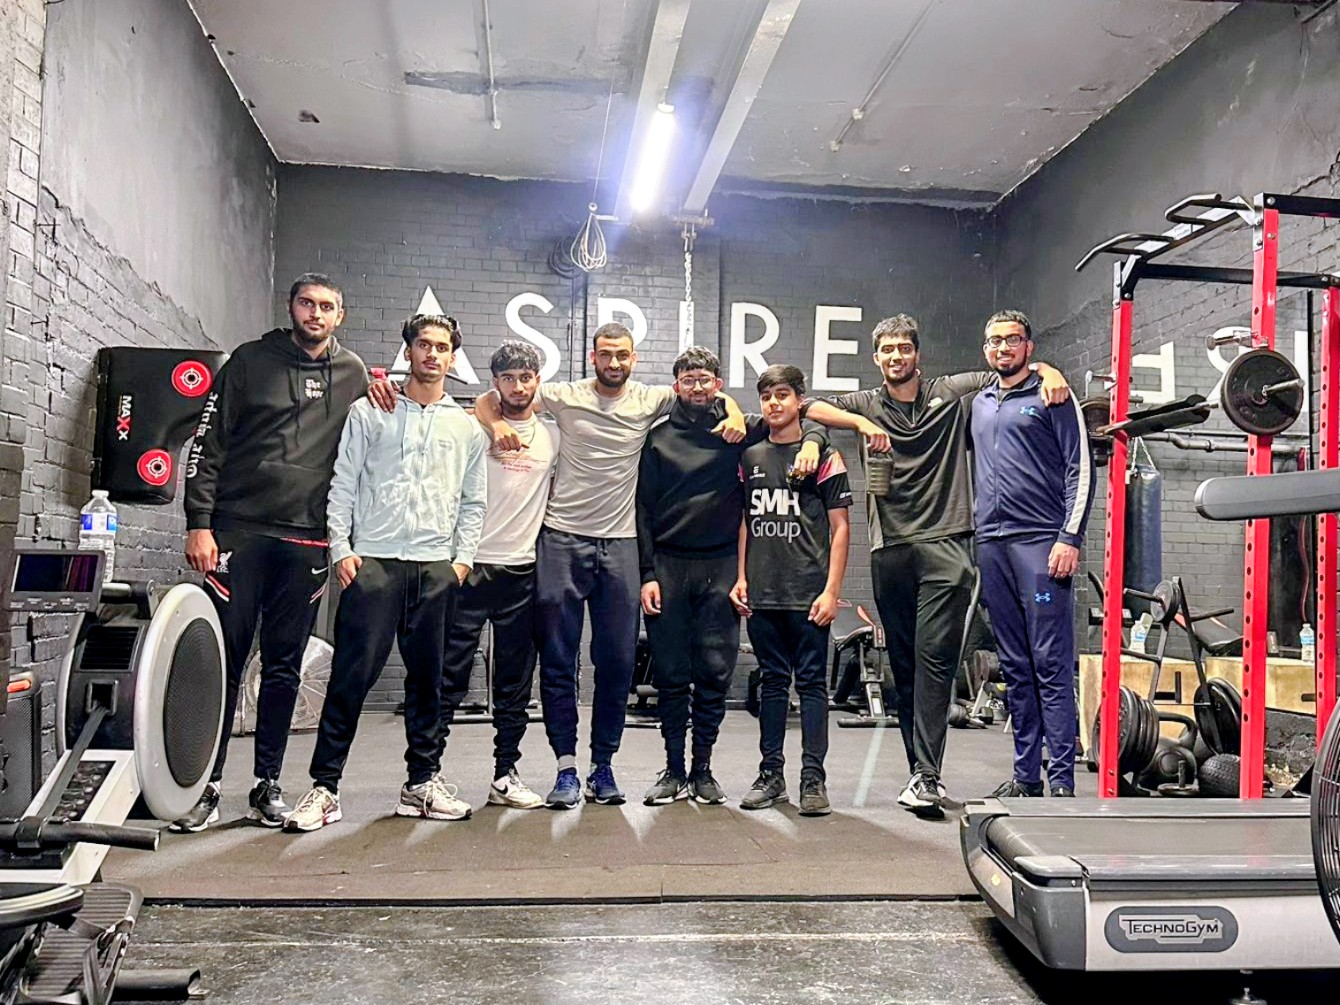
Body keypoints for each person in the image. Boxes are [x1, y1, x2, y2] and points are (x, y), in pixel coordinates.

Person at [802, 314, 1069, 819]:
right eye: (887, 351)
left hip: (948, 546)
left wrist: (1051, 369)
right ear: (876, 358)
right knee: (904, 668)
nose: (896, 357)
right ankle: (919, 774)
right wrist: (860, 425)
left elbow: (1008, 371)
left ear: (917, 354)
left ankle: (928, 774)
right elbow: (809, 406)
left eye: (904, 348)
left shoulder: (951, 391)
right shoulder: (865, 403)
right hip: (891, 551)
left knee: (935, 664)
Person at [473, 322, 747, 809]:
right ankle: (565, 769)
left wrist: (736, 410)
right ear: (593, 357)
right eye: (605, 354)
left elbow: (706, 394)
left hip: (620, 544)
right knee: (558, 660)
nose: (614, 363)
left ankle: (603, 766)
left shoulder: (651, 398)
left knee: (617, 662)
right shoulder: (564, 394)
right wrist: (494, 424)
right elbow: (496, 398)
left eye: (622, 355)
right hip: (561, 539)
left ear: (634, 358)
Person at [174, 273, 369, 832]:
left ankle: (266, 784)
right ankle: (206, 785)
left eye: (326, 307)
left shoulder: (353, 372)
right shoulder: (249, 361)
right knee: (224, 661)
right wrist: (199, 524)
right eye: (307, 303)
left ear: (340, 316)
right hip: (238, 532)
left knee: (283, 667)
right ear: (292, 308)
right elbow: (208, 444)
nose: (316, 314)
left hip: (307, 538)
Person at [284, 314, 487, 832]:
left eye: (442, 347)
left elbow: (473, 501)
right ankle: (325, 789)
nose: (433, 355)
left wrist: (460, 561)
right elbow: (343, 483)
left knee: (429, 686)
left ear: (452, 356)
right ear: (409, 351)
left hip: (435, 570)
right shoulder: (369, 412)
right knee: (350, 681)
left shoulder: (465, 427)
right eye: (424, 345)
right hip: (372, 564)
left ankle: (421, 784)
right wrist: (341, 551)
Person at [637, 347, 827, 806]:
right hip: (668, 565)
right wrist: (647, 573)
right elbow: (641, 508)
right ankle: (673, 769)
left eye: (705, 379)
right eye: (688, 380)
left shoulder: (741, 430)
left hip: (721, 565)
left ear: (718, 383)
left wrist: (815, 441)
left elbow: (810, 416)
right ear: (676, 385)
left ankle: (703, 769)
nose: (697, 387)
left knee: (714, 671)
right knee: (670, 674)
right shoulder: (658, 438)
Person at [970, 310, 1093, 798]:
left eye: (1012, 340)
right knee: (1015, 665)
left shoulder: (1053, 395)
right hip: (992, 545)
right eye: (994, 341)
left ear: (1029, 346)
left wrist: (1069, 537)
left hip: (1041, 544)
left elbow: (1079, 468)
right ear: (986, 349)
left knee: (1050, 664)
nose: (1003, 348)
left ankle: (1061, 781)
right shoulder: (979, 402)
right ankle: (1026, 778)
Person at [437, 341, 558, 810]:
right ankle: (428, 773)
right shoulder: (473, 426)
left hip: (522, 571)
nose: (519, 386)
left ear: (537, 380)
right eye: (509, 378)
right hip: (467, 567)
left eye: (526, 377)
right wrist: (490, 420)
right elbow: (476, 410)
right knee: (448, 676)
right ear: (496, 384)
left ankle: (505, 774)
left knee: (514, 683)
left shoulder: (554, 436)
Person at [730, 364, 852, 817]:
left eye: (783, 394)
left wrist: (831, 590)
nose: (774, 404)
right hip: (764, 592)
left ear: (799, 400)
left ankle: (813, 779)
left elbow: (840, 529)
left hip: (808, 593)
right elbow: (746, 520)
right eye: (767, 397)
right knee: (773, 684)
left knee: (813, 687)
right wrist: (742, 578)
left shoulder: (824, 455)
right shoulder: (751, 457)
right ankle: (772, 776)